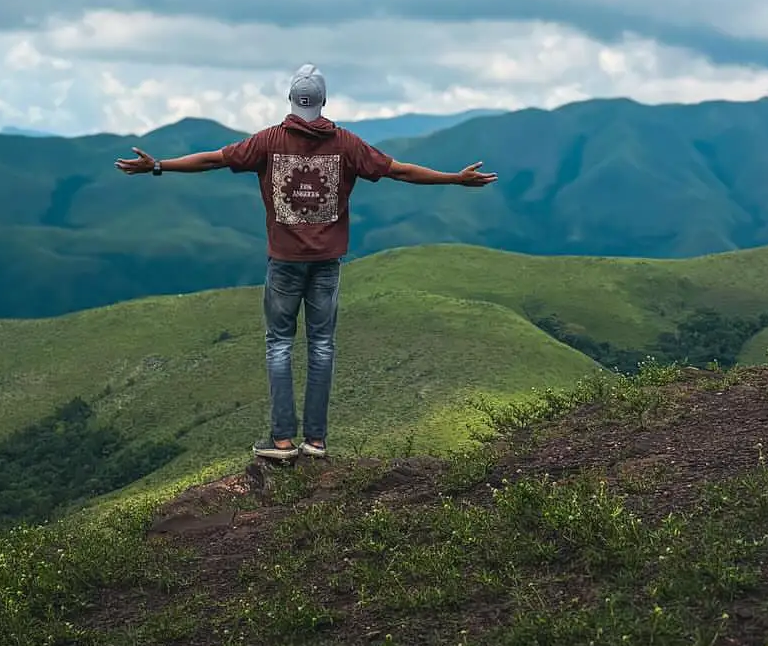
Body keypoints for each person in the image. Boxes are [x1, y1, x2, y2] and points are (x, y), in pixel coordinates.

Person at [116, 65, 497, 464]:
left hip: (283, 262)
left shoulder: (268, 141)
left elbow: (213, 160)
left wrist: (158, 165)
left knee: (279, 344)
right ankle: (315, 442)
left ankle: (281, 442)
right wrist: (454, 179)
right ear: (324, 101)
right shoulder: (347, 144)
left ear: (291, 100)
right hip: (327, 263)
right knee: (322, 345)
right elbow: (398, 171)